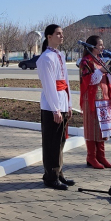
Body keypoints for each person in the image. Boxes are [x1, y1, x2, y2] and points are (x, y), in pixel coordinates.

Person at [36, 24, 74, 190]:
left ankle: (58, 172)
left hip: (62, 102)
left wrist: (69, 104)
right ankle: (50, 176)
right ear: (49, 36)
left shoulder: (60, 55)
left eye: (62, 33)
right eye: (58, 34)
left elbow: (66, 82)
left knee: (60, 141)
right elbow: (49, 86)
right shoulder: (45, 58)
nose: (61, 36)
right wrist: (55, 109)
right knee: (51, 142)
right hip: (52, 105)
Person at [79, 35, 111, 169]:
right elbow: (88, 81)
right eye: (100, 45)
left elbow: (107, 80)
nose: (103, 47)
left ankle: (101, 156)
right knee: (92, 129)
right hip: (92, 99)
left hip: (103, 99)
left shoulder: (100, 60)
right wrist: (102, 71)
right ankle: (91, 157)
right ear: (92, 46)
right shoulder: (85, 61)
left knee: (102, 129)